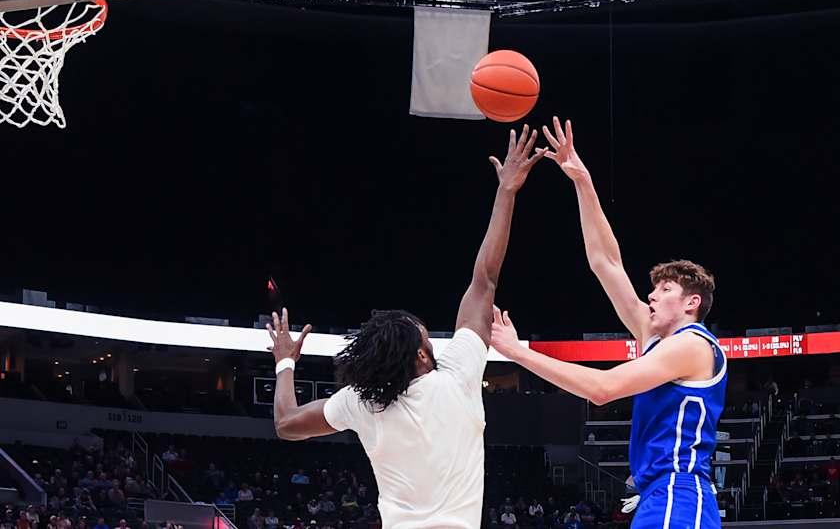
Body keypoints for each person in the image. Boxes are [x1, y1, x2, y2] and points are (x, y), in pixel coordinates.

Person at [265, 125, 545, 528]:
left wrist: (285, 364)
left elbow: (286, 424)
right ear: (420, 353)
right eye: (426, 334)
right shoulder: (457, 378)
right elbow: (485, 279)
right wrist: (507, 191)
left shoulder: (361, 401)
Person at [491, 118, 726, 529]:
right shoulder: (653, 335)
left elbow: (602, 390)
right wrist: (581, 179)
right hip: (659, 495)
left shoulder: (693, 346)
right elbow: (606, 262)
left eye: (664, 289)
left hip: (678, 493)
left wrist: (517, 352)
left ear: (692, 302)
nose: (650, 296)